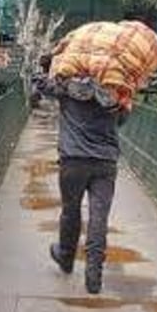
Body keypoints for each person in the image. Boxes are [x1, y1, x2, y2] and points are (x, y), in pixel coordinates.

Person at [32, 54, 128, 294]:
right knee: (99, 217)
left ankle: (66, 257)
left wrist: (44, 71)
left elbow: (41, 86)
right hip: (105, 163)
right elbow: (123, 119)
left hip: (73, 160)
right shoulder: (116, 91)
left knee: (71, 209)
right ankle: (94, 274)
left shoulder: (66, 87)